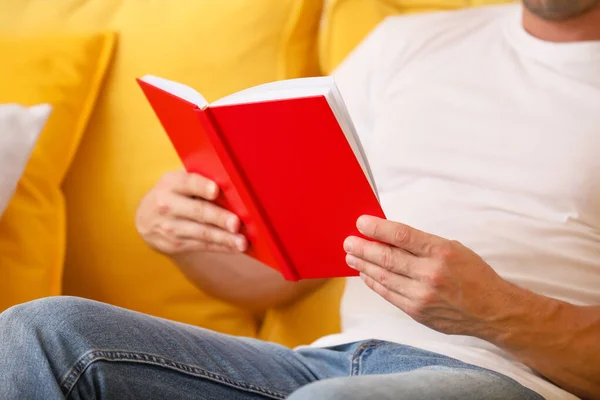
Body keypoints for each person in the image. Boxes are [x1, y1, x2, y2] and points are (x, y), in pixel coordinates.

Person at [1, 1, 599, 399]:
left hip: (504, 379)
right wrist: (188, 238)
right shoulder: (409, 45)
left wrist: (496, 308)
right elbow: (281, 275)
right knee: (40, 332)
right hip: (323, 363)